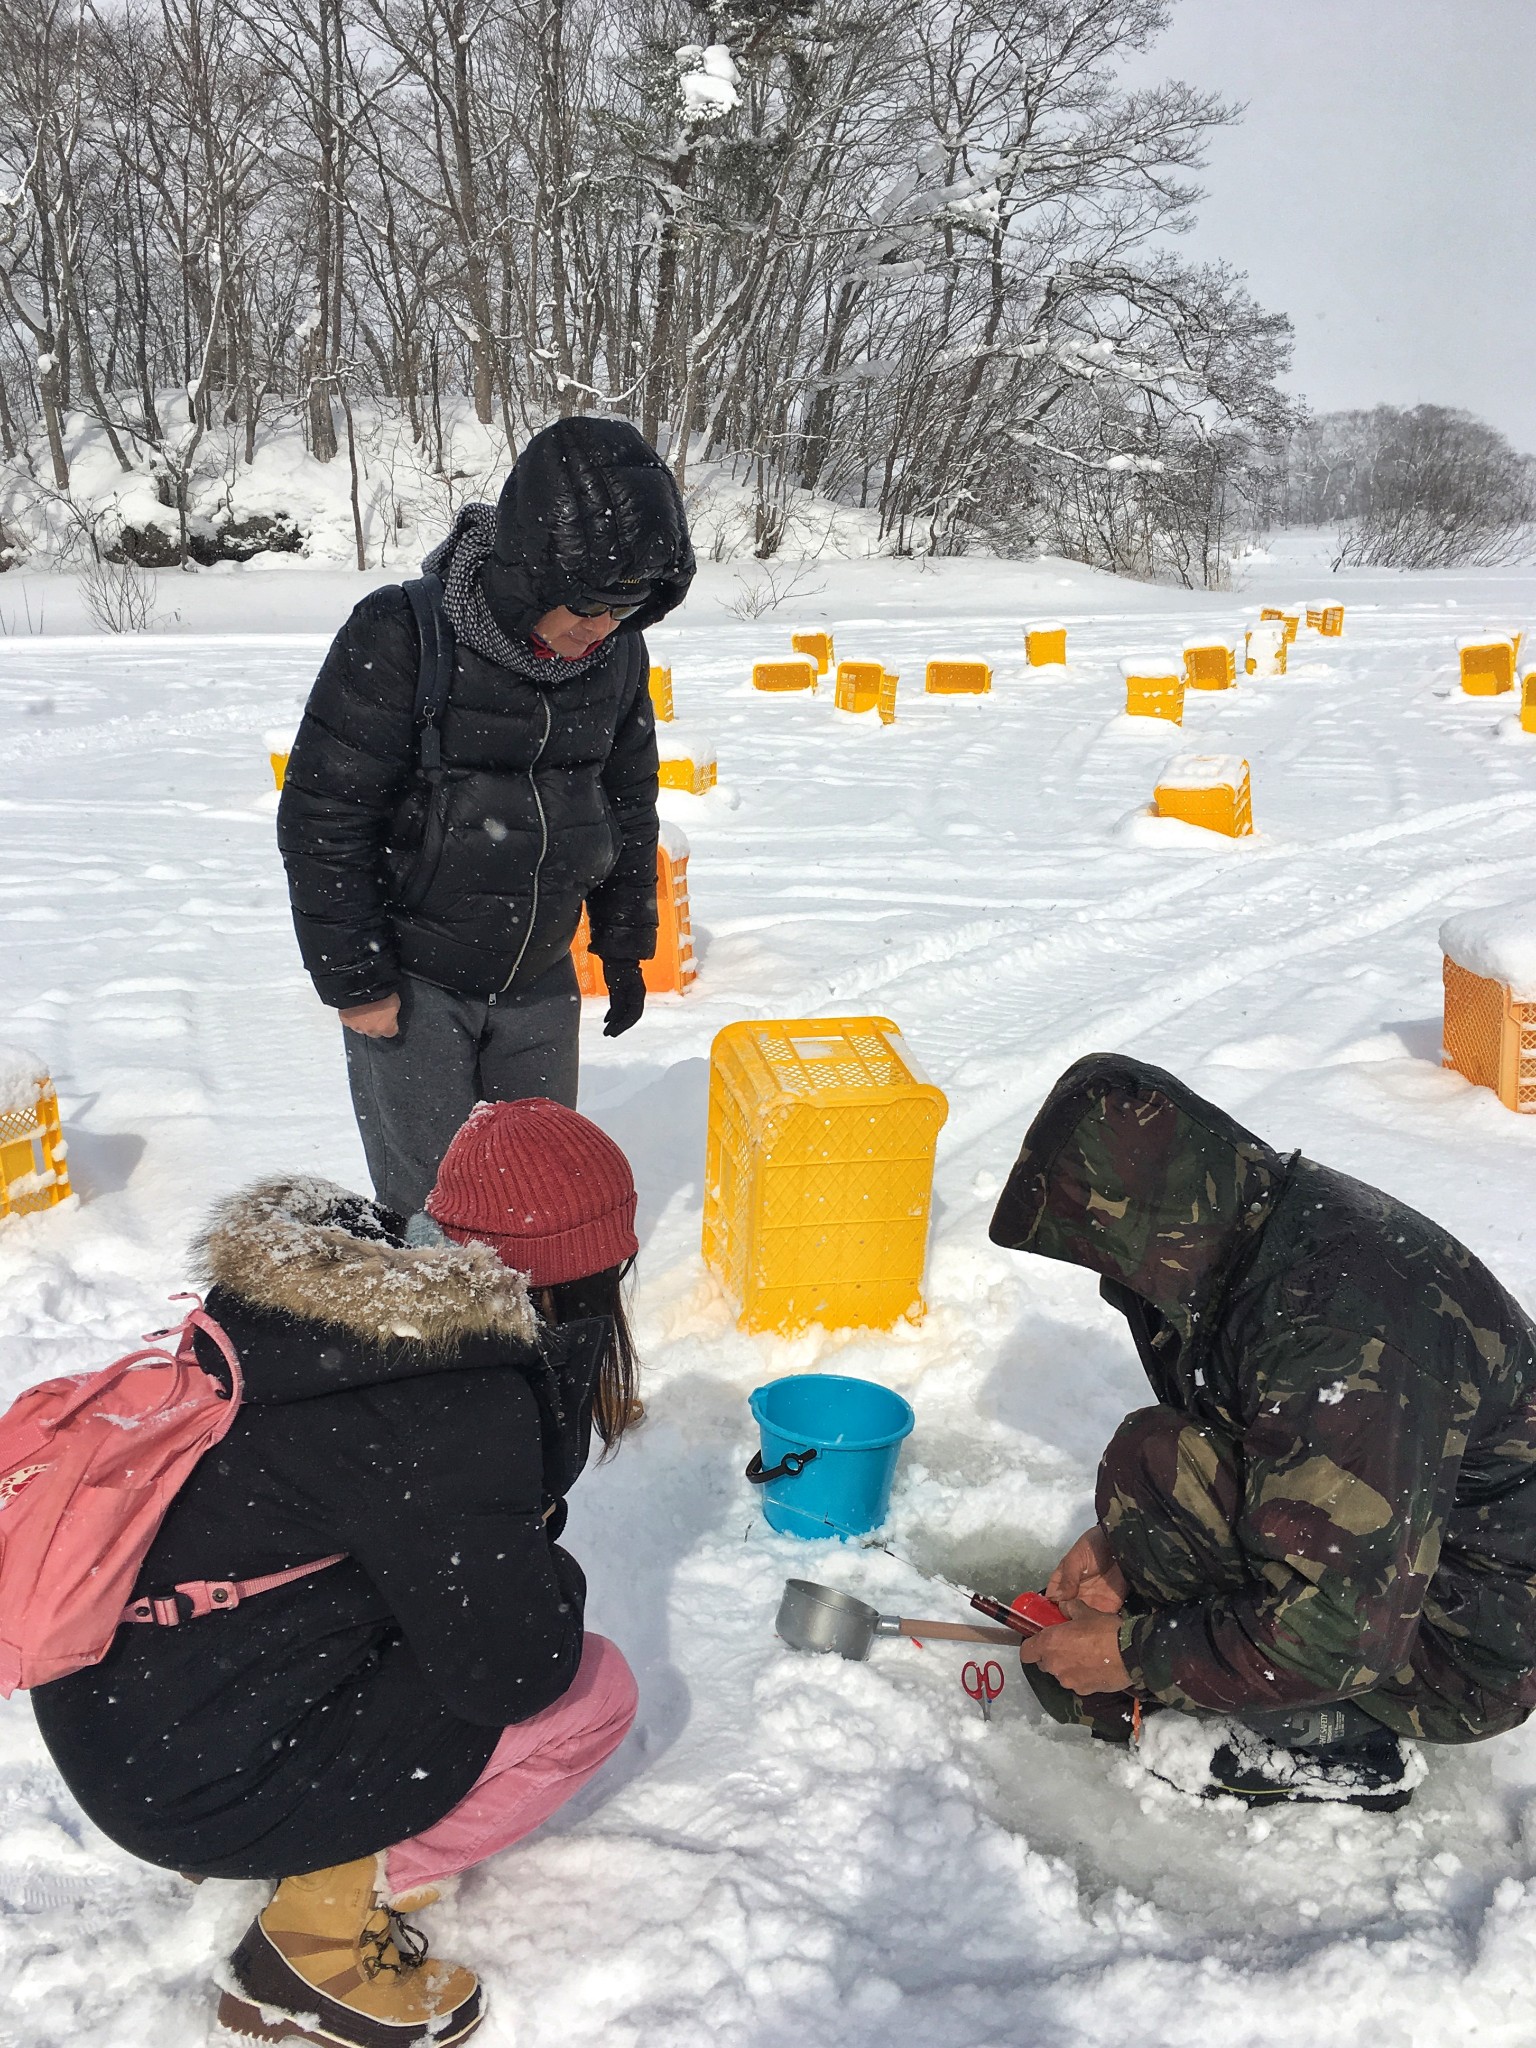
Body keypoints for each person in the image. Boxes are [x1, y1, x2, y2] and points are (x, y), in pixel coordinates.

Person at [31, 1097, 645, 2048]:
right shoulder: (450, 1395)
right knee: (595, 1692)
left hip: (125, 1700)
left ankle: (283, 1826)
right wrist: (548, 1572)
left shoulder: (339, 1307)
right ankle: (315, 1929)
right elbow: (516, 1672)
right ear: (593, 1271)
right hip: (185, 1770)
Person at [988, 1052, 1536, 1810]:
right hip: (1420, 1553)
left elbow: (1347, 1630)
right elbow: (1245, 1428)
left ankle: (1334, 1743)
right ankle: (1228, 1654)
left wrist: (1131, 1656)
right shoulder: (1250, 1226)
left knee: (1210, 1584)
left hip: (1474, 1643)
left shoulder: (1339, 1341)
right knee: (1151, 1464)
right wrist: (1121, 1546)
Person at [277, 415, 695, 1219]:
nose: (600, 628)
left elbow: (628, 803)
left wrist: (622, 945)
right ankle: (444, 1344)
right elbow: (324, 817)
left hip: (539, 974)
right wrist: (357, 982)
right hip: (415, 980)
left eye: (627, 607)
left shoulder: (617, 656)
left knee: (538, 1188)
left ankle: (533, 1334)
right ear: (532, 569)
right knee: (434, 1204)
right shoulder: (403, 632)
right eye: (588, 604)